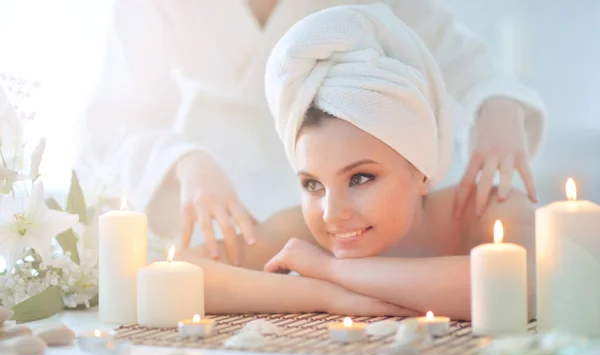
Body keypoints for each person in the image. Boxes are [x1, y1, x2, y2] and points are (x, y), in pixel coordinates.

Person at [79, 0, 544, 268]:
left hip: (357, 188)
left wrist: (499, 108)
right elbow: (111, 123)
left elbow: (458, 58)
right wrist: (186, 162)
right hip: (218, 207)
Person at [176, 4, 537, 321]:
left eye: (361, 178)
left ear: (422, 168)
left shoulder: (487, 210)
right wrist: (323, 295)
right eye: (312, 184)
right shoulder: (303, 230)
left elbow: (514, 289)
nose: (332, 213)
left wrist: (329, 269)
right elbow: (179, 274)